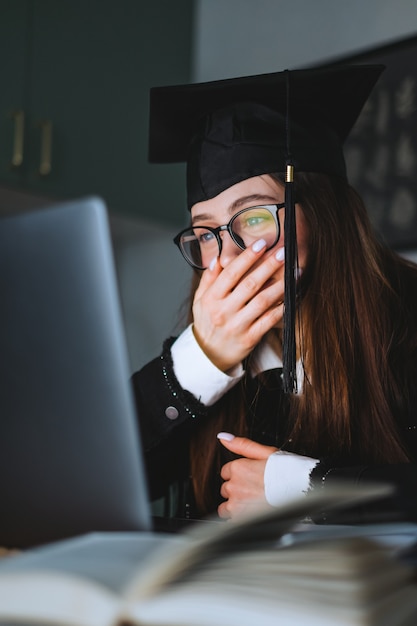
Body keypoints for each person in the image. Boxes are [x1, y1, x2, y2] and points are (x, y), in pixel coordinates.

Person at [132, 64, 417, 523]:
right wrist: (200, 360)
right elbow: (96, 475)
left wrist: (307, 490)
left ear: (325, 214)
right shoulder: (215, 359)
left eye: (255, 217)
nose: (229, 254)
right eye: (206, 234)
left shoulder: (407, 318)